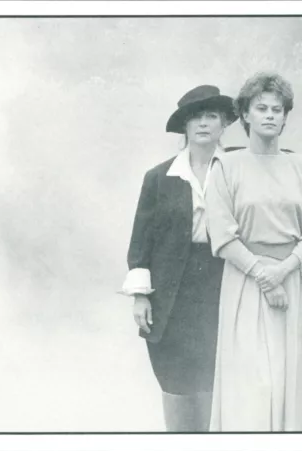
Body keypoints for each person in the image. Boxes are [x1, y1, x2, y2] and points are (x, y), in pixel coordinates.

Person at [204, 72, 302, 431]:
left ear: (286, 117)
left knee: (293, 377)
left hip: (296, 283)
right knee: (254, 382)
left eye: (278, 109)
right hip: (246, 284)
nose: (270, 115)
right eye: (261, 108)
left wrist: (282, 271)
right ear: (245, 115)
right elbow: (223, 236)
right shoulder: (226, 166)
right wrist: (263, 275)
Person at [119, 85, 237, 431]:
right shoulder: (160, 177)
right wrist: (141, 295)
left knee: (220, 374)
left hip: (224, 280)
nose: (203, 123)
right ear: (184, 126)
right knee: (177, 377)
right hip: (174, 288)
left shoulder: (237, 169)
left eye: (211, 116)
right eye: (195, 117)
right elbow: (142, 241)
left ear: (224, 124)